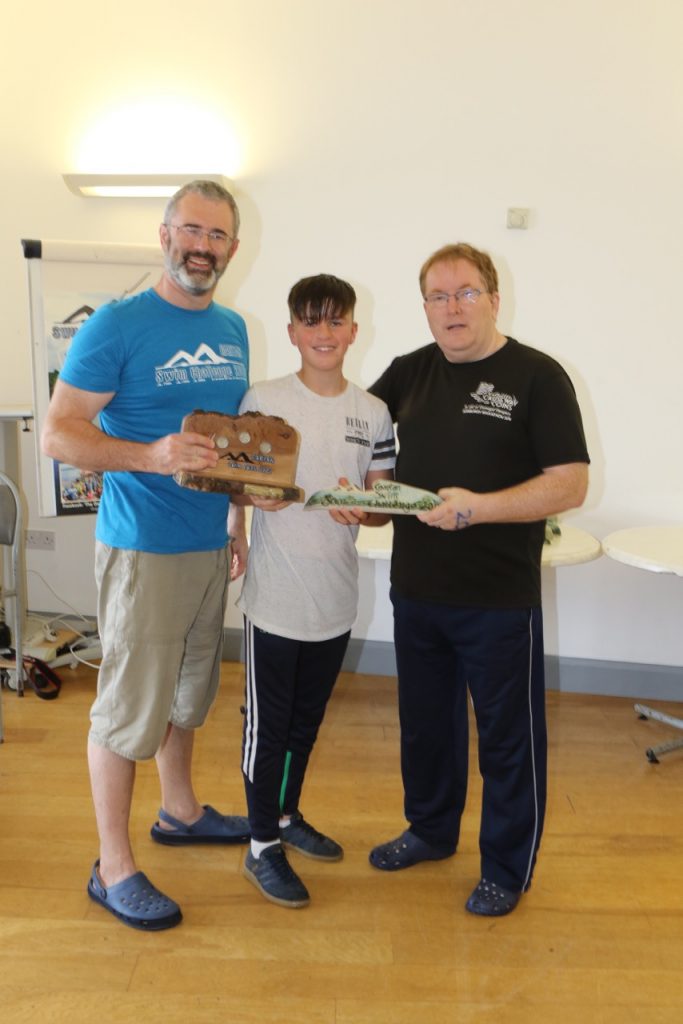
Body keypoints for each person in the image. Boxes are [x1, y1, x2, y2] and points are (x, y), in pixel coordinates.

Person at [41, 180, 252, 931]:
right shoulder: (117, 325)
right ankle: (113, 865)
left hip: (205, 545)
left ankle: (181, 810)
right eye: (190, 229)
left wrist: (237, 519)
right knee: (127, 708)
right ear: (164, 236)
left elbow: (229, 444)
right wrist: (150, 454)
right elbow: (60, 433)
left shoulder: (232, 328)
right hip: (142, 551)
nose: (203, 245)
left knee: (187, 693)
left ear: (232, 245)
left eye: (217, 234)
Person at [368, 243, 589, 916]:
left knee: (506, 740)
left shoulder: (537, 376)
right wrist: (362, 495)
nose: (451, 308)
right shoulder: (407, 373)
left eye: (465, 293)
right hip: (416, 590)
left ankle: (504, 867)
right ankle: (431, 831)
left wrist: (478, 508)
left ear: (494, 298)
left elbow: (569, 485)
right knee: (424, 727)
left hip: (498, 600)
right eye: (437, 296)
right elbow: (364, 452)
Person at [236, 274, 396, 908]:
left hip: (335, 599)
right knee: (267, 730)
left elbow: (384, 504)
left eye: (336, 322)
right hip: (275, 597)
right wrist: (246, 510)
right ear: (293, 331)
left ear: (354, 331)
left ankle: (285, 815)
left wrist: (367, 509)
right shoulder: (264, 399)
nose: (324, 334)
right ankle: (260, 847)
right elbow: (238, 482)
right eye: (312, 321)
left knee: (306, 723)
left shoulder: (373, 412)